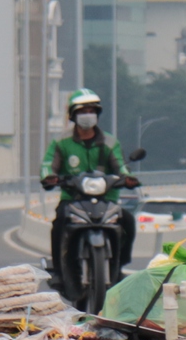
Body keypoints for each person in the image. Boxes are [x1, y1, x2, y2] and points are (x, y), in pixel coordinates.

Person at [40, 88, 137, 294]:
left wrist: (126, 178)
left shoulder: (110, 143)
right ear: (74, 115)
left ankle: (119, 266)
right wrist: (49, 176)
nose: (87, 115)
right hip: (73, 200)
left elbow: (120, 165)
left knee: (128, 221)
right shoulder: (61, 143)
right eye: (83, 111)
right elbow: (49, 164)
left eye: (92, 110)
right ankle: (58, 271)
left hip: (107, 200)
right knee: (58, 225)